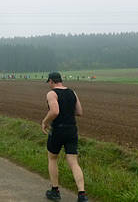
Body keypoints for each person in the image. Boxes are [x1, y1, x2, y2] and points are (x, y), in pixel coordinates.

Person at [41, 72, 88, 202]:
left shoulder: (52, 93)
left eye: (49, 82)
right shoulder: (72, 92)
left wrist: (45, 122)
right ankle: (82, 194)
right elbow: (79, 112)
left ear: (51, 81)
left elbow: (55, 111)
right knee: (73, 162)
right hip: (72, 130)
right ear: (60, 80)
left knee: (52, 158)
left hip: (58, 130)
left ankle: (55, 191)